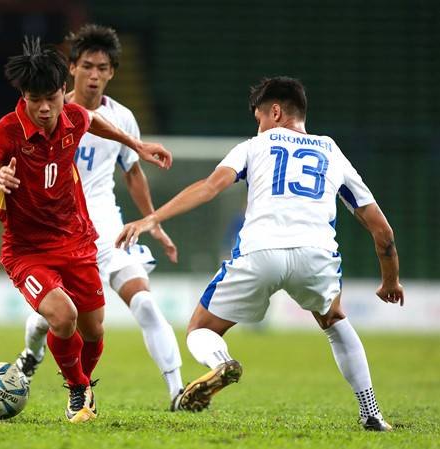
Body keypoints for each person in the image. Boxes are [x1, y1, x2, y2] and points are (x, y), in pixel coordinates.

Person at [116, 77, 403, 431]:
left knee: (199, 329)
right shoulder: (331, 150)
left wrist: (152, 218)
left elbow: (209, 188)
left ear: (276, 111)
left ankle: (220, 362)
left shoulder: (254, 145)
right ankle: (371, 411)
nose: (259, 125)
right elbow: (382, 230)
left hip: (259, 252)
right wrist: (390, 280)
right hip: (316, 255)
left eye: (259, 117)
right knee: (334, 320)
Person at [0, 36, 172, 423]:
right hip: (26, 251)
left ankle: (84, 383)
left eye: (51, 98)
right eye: (34, 99)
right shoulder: (6, 131)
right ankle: (77, 392)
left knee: (94, 330)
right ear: (24, 95)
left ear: (64, 91)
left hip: (77, 241)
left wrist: (135, 144)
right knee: (63, 316)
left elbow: (92, 121)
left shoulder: (73, 117)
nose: (44, 108)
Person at [13, 24, 185, 410]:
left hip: (106, 227)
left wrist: (151, 221)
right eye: (87, 65)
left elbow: (133, 171)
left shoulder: (122, 118)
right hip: (57, 230)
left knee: (143, 302)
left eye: (102, 68)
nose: (94, 75)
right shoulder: (47, 109)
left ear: (112, 73)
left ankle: (178, 392)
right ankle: (31, 355)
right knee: (54, 318)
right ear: (71, 68)